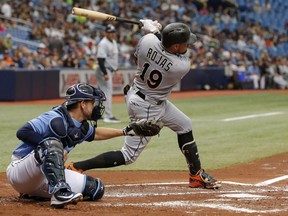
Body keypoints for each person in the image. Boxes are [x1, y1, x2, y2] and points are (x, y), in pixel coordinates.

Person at [66, 20, 222, 189]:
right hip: (148, 107)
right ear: (176, 46)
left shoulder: (147, 41)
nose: (188, 46)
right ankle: (77, 166)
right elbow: (162, 46)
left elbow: (154, 42)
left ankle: (196, 175)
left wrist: (152, 29)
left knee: (184, 124)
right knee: (128, 155)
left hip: (143, 95)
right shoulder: (181, 66)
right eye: (185, 44)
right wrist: (154, 29)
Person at [6, 83, 141, 208]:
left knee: (95, 189)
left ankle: (34, 194)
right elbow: (23, 132)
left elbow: (96, 134)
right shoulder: (53, 117)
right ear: (82, 104)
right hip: (22, 172)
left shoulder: (80, 126)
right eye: (92, 102)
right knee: (53, 144)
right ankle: (59, 193)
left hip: (43, 180)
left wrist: (125, 131)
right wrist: (48, 147)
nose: (96, 106)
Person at [96, 24, 120, 123]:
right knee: (107, 92)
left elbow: (112, 58)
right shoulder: (103, 43)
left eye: (113, 32)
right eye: (110, 32)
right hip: (104, 69)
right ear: (106, 33)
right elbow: (100, 59)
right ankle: (108, 116)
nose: (112, 34)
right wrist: (105, 73)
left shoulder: (113, 42)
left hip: (109, 69)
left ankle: (96, 114)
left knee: (99, 93)